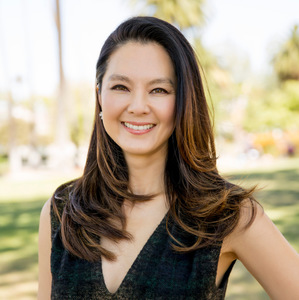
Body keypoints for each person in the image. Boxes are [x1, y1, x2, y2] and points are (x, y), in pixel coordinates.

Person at [38, 16, 299, 299]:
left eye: (159, 90)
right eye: (121, 87)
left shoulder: (228, 215)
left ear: (184, 101)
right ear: (100, 96)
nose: (138, 106)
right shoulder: (61, 212)